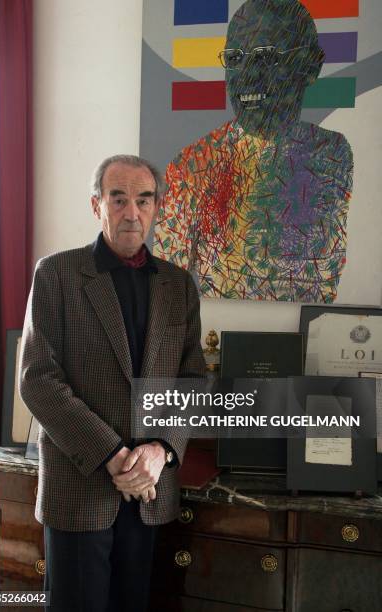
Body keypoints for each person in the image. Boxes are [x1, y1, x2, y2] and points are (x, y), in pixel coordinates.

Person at [19, 154, 206, 611]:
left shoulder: (179, 285)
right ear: (96, 205)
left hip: (151, 495)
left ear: (158, 206)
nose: (131, 212)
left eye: (143, 200)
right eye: (118, 199)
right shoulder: (56, 274)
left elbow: (193, 381)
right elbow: (38, 379)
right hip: (78, 492)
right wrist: (114, 455)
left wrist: (161, 450)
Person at [153, 0, 353, 303]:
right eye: (235, 58)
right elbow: (164, 288)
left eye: (266, 58)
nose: (246, 75)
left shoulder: (333, 155)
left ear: (310, 66)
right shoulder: (193, 165)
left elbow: (327, 280)